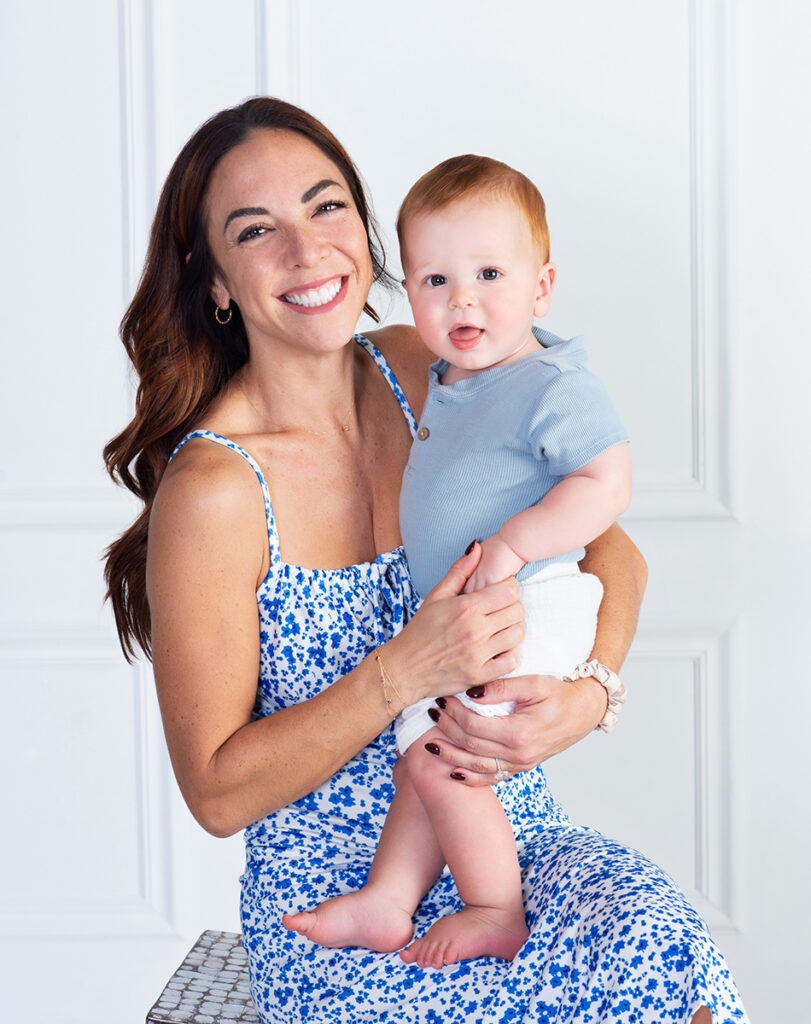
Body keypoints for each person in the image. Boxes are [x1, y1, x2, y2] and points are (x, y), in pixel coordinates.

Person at [103, 97, 748, 1023]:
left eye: (326, 208)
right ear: (215, 283)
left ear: (364, 236)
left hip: (513, 848)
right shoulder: (215, 489)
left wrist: (588, 695)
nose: (306, 249)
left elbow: (612, 547)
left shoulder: (429, 370)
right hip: (351, 899)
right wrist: (403, 670)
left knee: (665, 949)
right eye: (256, 230)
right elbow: (213, 790)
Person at [282, 154, 633, 970]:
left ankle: (493, 906)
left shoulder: (547, 381)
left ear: (541, 289)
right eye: (434, 280)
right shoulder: (445, 377)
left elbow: (608, 485)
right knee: (423, 758)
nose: (461, 299)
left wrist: (513, 544)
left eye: (487, 274)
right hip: (479, 613)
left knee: (447, 761)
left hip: (530, 601)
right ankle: (388, 901)